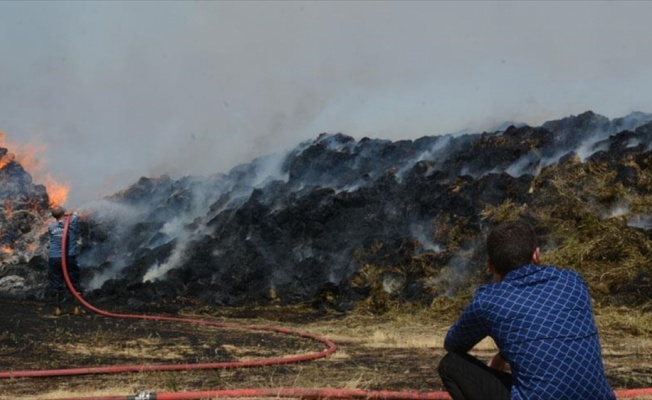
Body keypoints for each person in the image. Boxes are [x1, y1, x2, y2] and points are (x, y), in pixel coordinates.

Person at [438, 220, 615, 400]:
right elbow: (545, 325)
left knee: (449, 364)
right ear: (536, 254)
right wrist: (504, 353)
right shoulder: (573, 281)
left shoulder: (490, 300)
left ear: (491, 266)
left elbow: (453, 344)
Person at [47, 206, 83, 316]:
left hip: (54, 258)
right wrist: (70, 212)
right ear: (64, 213)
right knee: (73, 281)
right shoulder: (72, 221)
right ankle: (77, 308)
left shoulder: (51, 226)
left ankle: (57, 309)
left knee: (56, 282)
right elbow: (77, 212)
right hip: (69, 257)